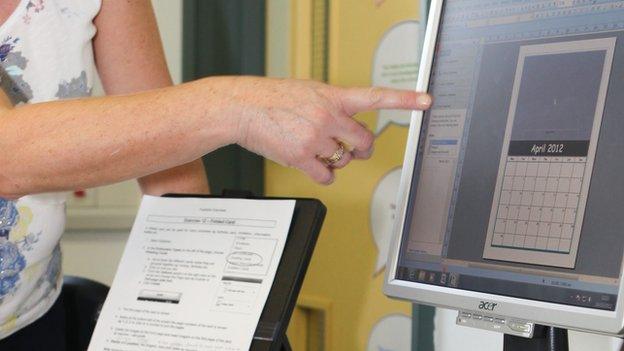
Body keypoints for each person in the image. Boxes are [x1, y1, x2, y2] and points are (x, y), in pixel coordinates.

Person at [0, 0, 432, 349]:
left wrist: (203, 318)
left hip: (34, 315)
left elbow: (169, 168)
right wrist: (235, 106)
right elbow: (8, 158)